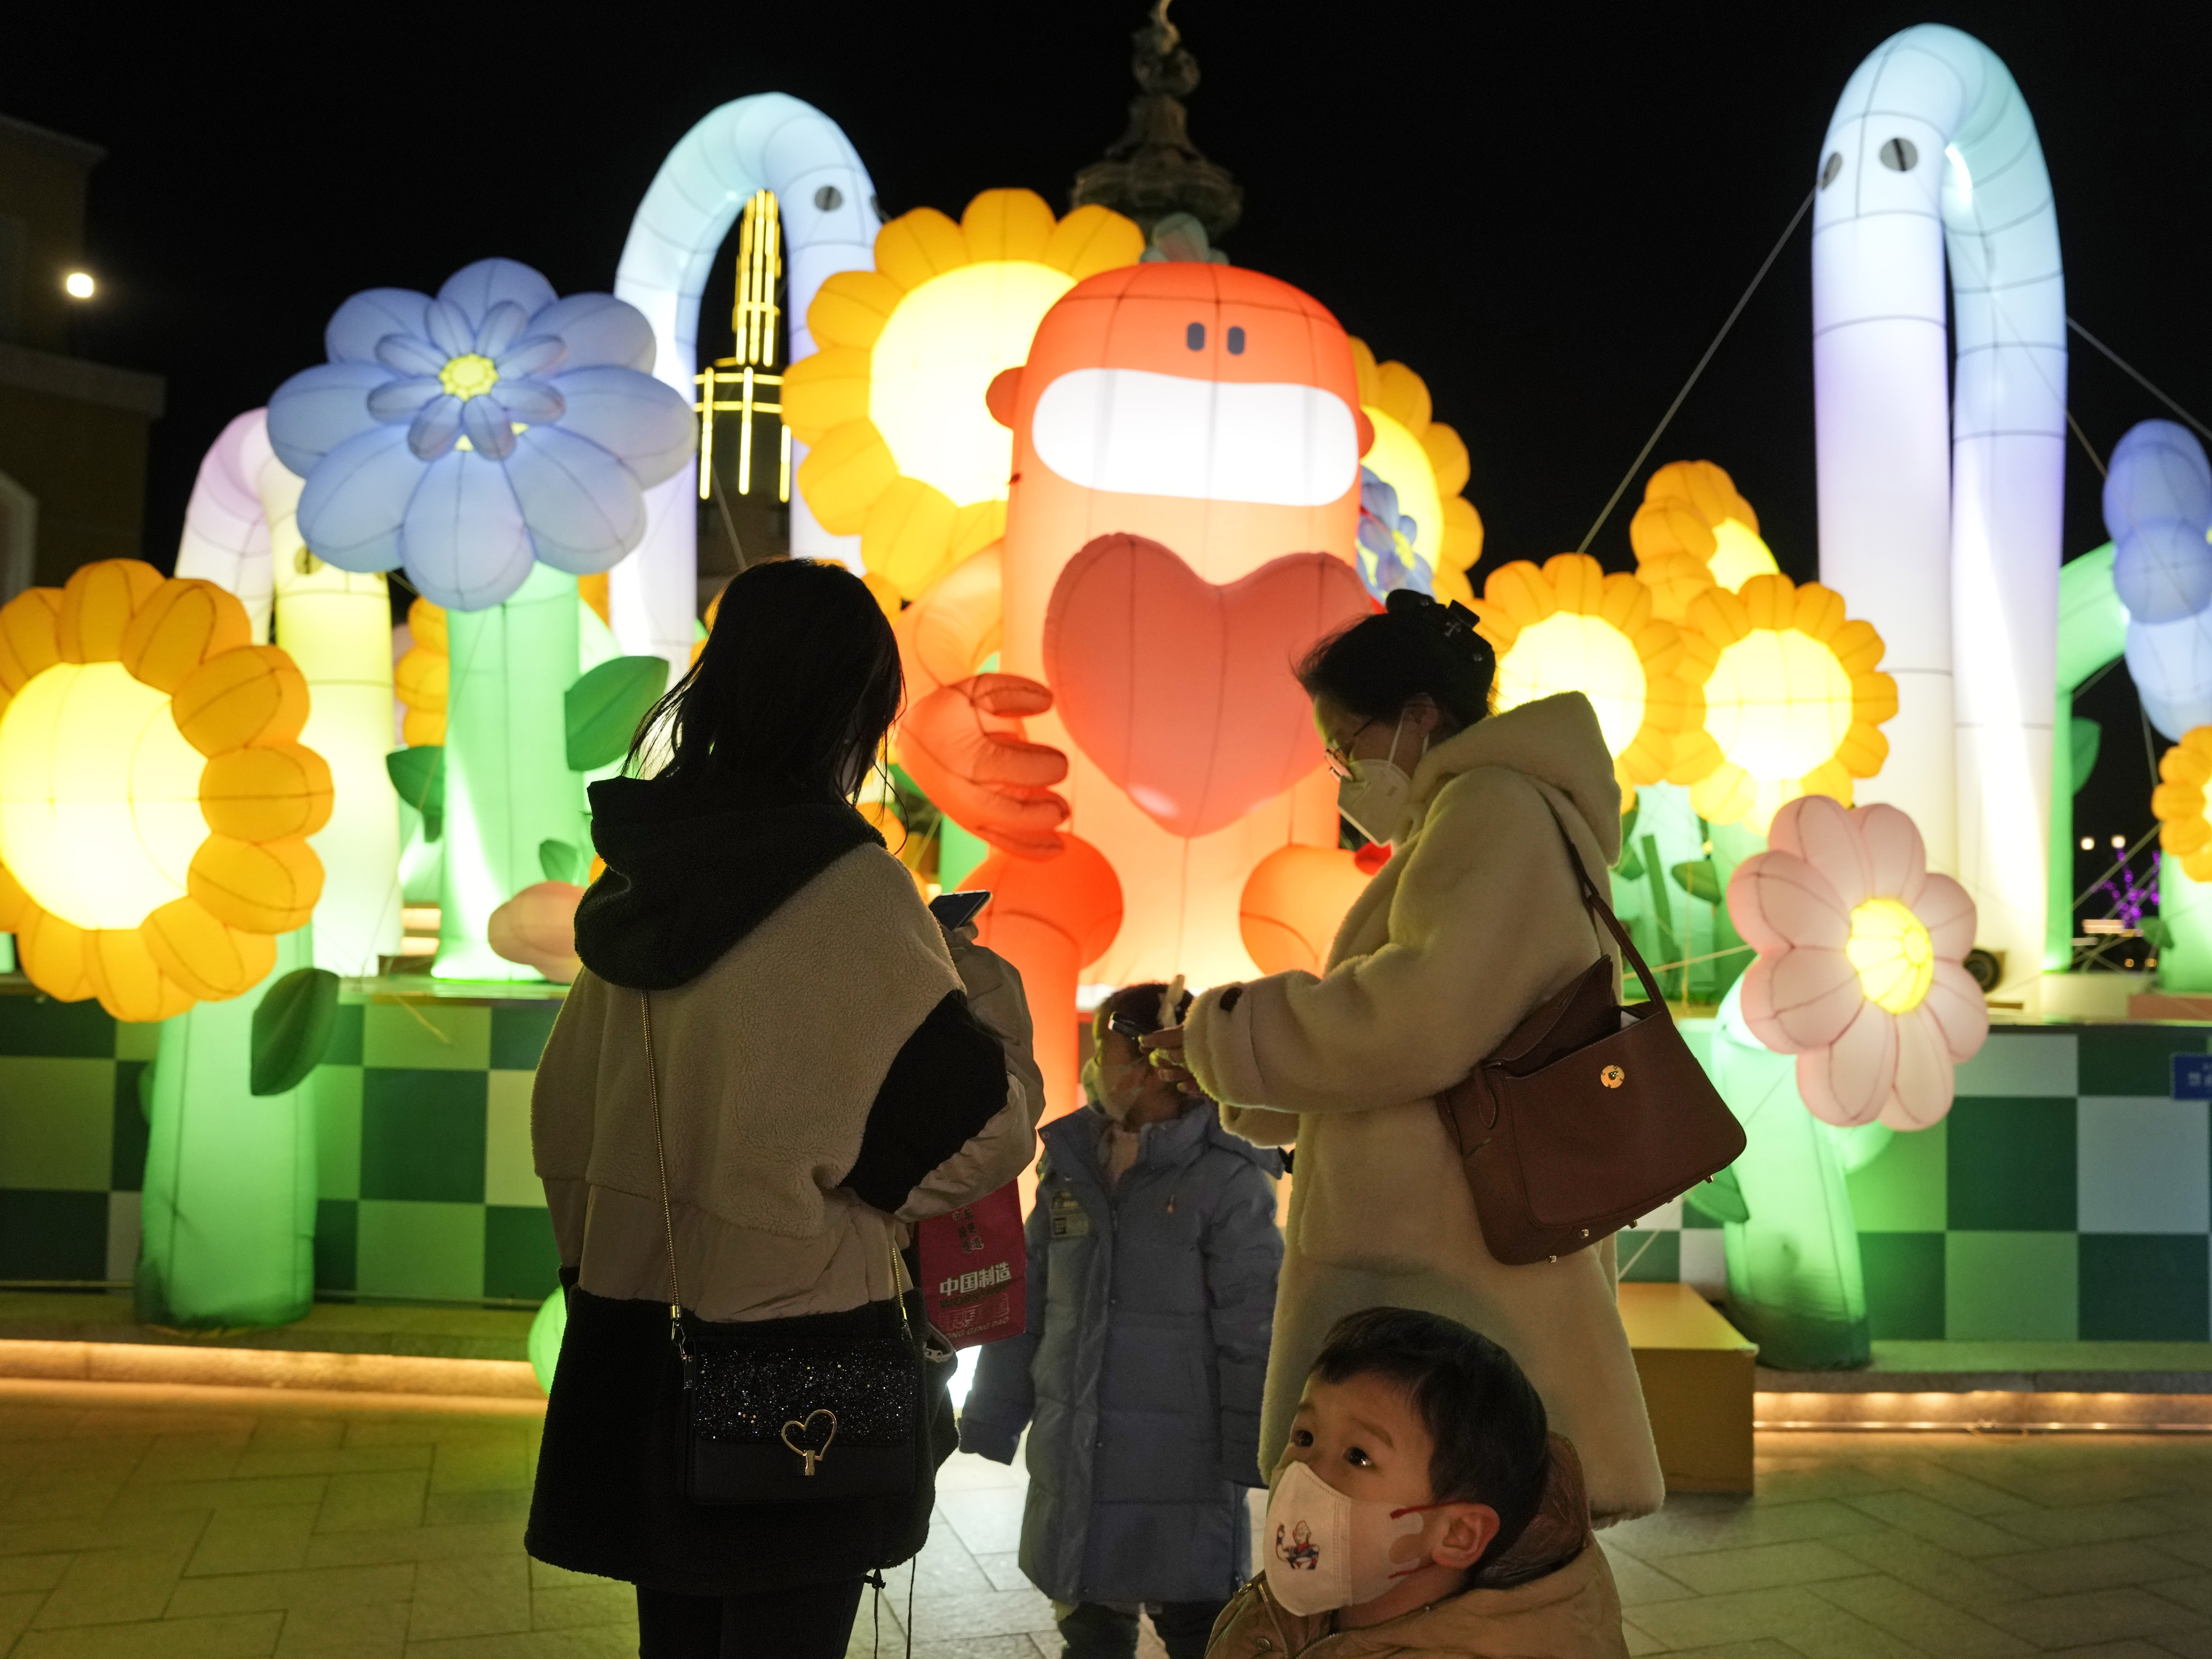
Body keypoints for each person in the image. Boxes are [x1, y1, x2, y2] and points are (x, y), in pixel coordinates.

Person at [525, 559, 1044, 1659]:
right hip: (802, 1360)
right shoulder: (852, 894)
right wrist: (974, 983)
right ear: (856, 711)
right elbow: (974, 1130)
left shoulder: (632, 876)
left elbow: (562, 1123)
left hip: (634, 1347)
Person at [1146, 589, 1665, 1525]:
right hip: (1454, 1243)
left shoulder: (1489, 808)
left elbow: (1415, 1019)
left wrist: (1229, 1034)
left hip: (1445, 1254)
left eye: (1348, 740)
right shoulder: (1485, 812)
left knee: (1434, 1519)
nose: (1343, 769)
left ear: (1419, 716)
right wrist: (1238, 1068)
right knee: (1441, 1521)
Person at [959, 982, 1284, 1659]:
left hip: (1183, 1461)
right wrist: (992, 1414)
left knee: (1196, 1625)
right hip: (1075, 1445)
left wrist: (1253, 1449)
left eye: (1104, 1051)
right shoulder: (1072, 1165)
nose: (1095, 1068)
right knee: (1090, 1626)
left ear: (1152, 1061)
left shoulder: (1226, 1177)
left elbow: (1252, 1328)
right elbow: (1028, 1299)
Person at [1206, 1306, 1627, 1658]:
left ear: (1458, 1534)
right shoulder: (1283, 1609)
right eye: (1304, 1437)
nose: (1304, 1472)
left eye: (1358, 1456)